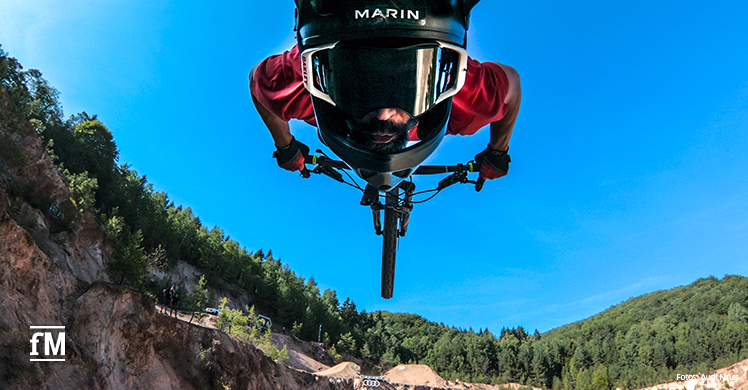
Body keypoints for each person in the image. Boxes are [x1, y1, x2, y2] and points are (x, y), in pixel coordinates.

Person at [250, 0, 520, 190]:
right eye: (361, 86)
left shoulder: (301, 80)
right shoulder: (462, 93)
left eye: (404, 83)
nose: (383, 114)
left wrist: (286, 147)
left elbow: (258, 82)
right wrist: (498, 151)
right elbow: (512, 86)